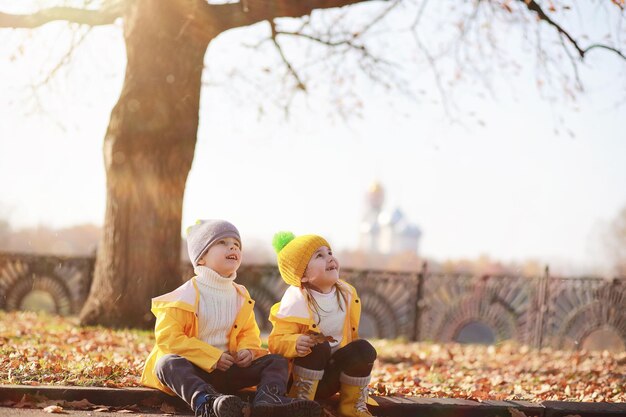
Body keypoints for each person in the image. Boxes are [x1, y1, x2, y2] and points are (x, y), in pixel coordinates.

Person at [141, 220, 321, 417]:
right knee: (167, 363)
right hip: (194, 372)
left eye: (236, 243)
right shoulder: (183, 297)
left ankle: (269, 399)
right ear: (201, 258)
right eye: (222, 242)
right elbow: (170, 340)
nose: (233, 246)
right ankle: (207, 402)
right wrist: (213, 357)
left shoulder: (240, 296)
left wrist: (248, 351)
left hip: (230, 370)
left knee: (276, 361)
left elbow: (248, 332)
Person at [268, 232, 378, 417]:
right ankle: (300, 404)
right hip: (297, 379)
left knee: (363, 349)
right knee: (318, 344)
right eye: (319, 255)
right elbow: (276, 342)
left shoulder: (347, 294)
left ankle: (352, 406)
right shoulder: (296, 301)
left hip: (331, 377)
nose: (330, 258)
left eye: (329, 252)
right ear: (302, 276)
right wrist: (295, 342)